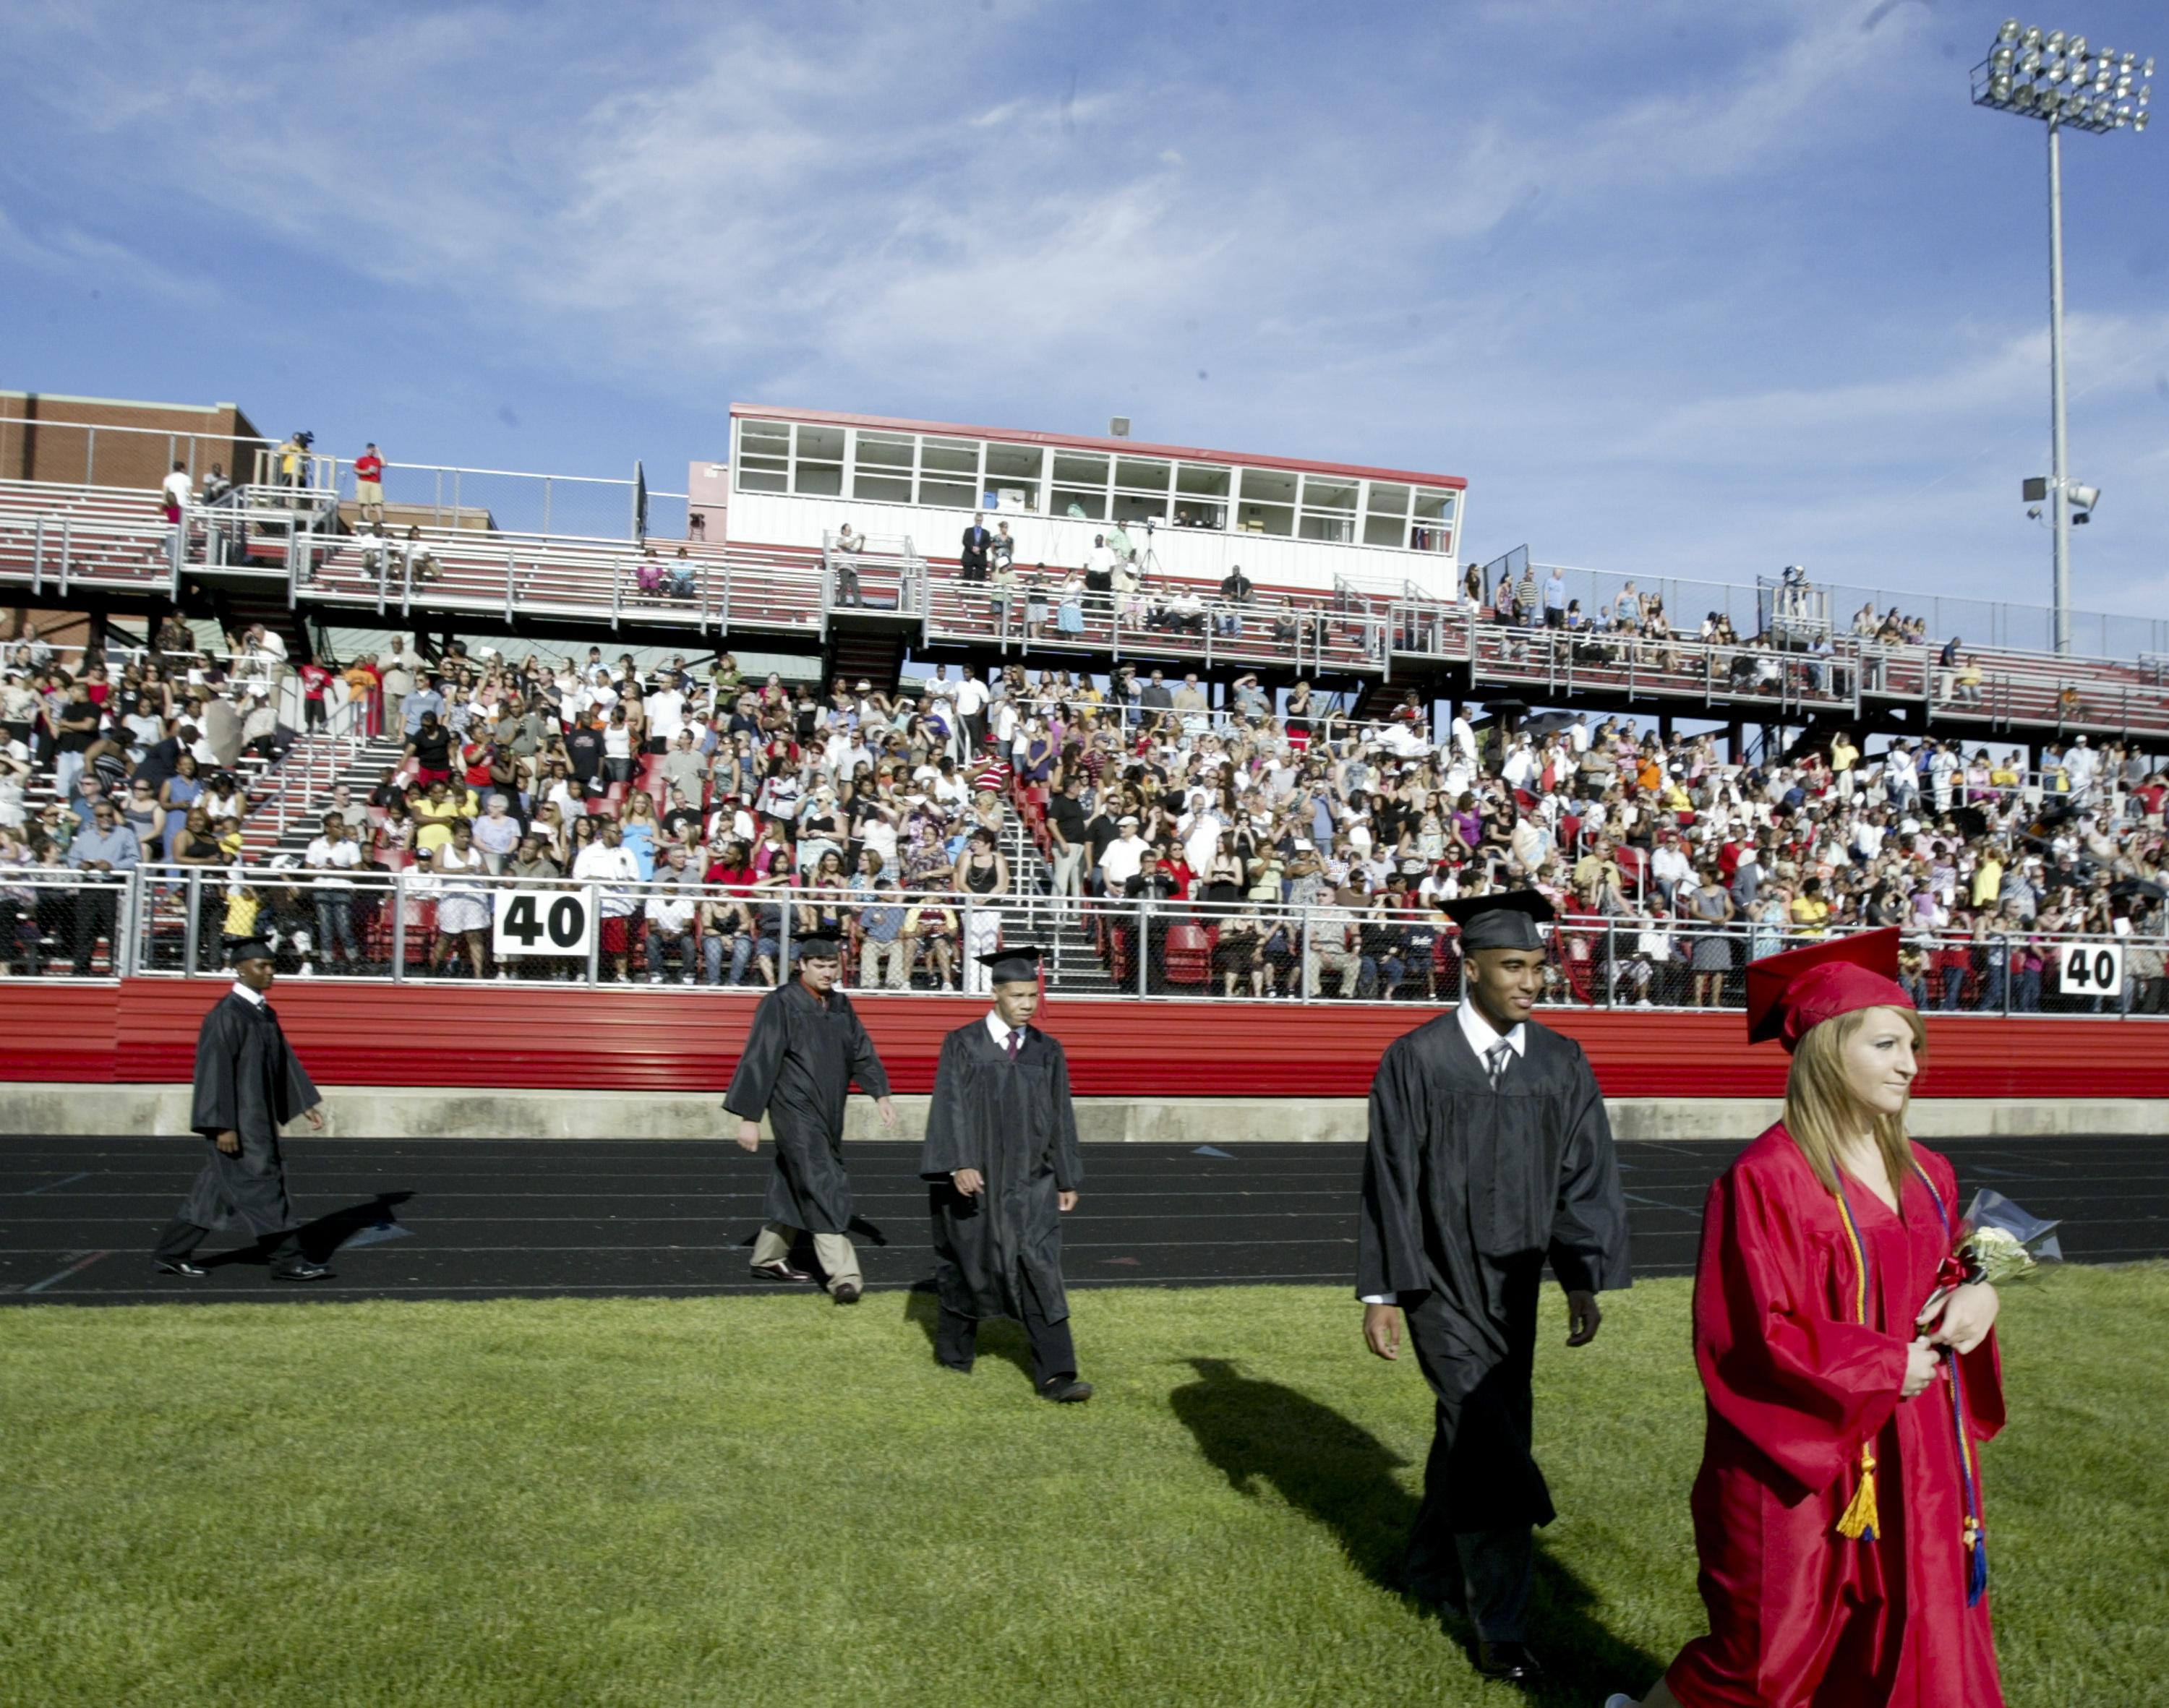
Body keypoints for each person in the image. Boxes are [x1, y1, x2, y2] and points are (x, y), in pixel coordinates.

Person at [1613, 930, 2004, 1708]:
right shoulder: (1764, 1180)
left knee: (1916, 1624)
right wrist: (1884, 1365)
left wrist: (1983, 1292)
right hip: (1795, 1450)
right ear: (1828, 1051)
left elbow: (1953, 1270)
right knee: (1769, 1653)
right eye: (1889, 1044)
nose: (1911, 1064)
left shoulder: (1931, 1172)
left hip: (1916, 1445)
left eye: (1915, 1047)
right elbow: (1750, 1335)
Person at [1357, 888, 1630, 1687]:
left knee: (1480, 1425)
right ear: (1468, 966)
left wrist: (1580, 1274)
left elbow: (1586, 1173)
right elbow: (1390, 1180)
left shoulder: (1560, 1060)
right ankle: (1502, 1627)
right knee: (1488, 1437)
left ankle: (1424, 1565)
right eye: (1514, 966)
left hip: (1517, 1286)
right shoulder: (1419, 1058)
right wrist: (1383, 1288)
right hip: (1440, 1282)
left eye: (1540, 966)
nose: (1532, 981)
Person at [919, 946, 1092, 1402]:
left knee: (1040, 1266)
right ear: (996, 993)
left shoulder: (1047, 1050)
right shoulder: (963, 1044)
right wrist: (959, 1162)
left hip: (1031, 1181)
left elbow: (1060, 1116)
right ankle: (954, 1357)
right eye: (1018, 996)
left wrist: (1067, 1177)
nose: (1028, 1004)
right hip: (976, 1178)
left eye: (1033, 995)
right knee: (969, 1263)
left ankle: (1057, 1375)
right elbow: (949, 1105)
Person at [724, 935, 897, 1302]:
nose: (828, 972)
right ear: (802, 965)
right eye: (820, 965)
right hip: (793, 1109)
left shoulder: (839, 1005)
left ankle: (768, 1257)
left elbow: (861, 1051)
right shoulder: (781, 1003)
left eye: (833, 966)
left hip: (829, 1110)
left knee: (796, 1178)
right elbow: (761, 1057)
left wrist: (880, 1092)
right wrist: (749, 1116)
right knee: (822, 1180)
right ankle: (843, 1276)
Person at [151, 937, 331, 1282]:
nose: (270, 973)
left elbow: (283, 1062)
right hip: (241, 1121)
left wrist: (304, 1102)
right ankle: (288, 1261)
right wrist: (221, 1126)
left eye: (272, 966)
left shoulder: (264, 1013)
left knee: (216, 1191)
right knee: (264, 1186)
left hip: (258, 1115)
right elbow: (213, 1073)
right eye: (262, 966)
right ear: (240, 968)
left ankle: (171, 1253)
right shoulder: (226, 1016)